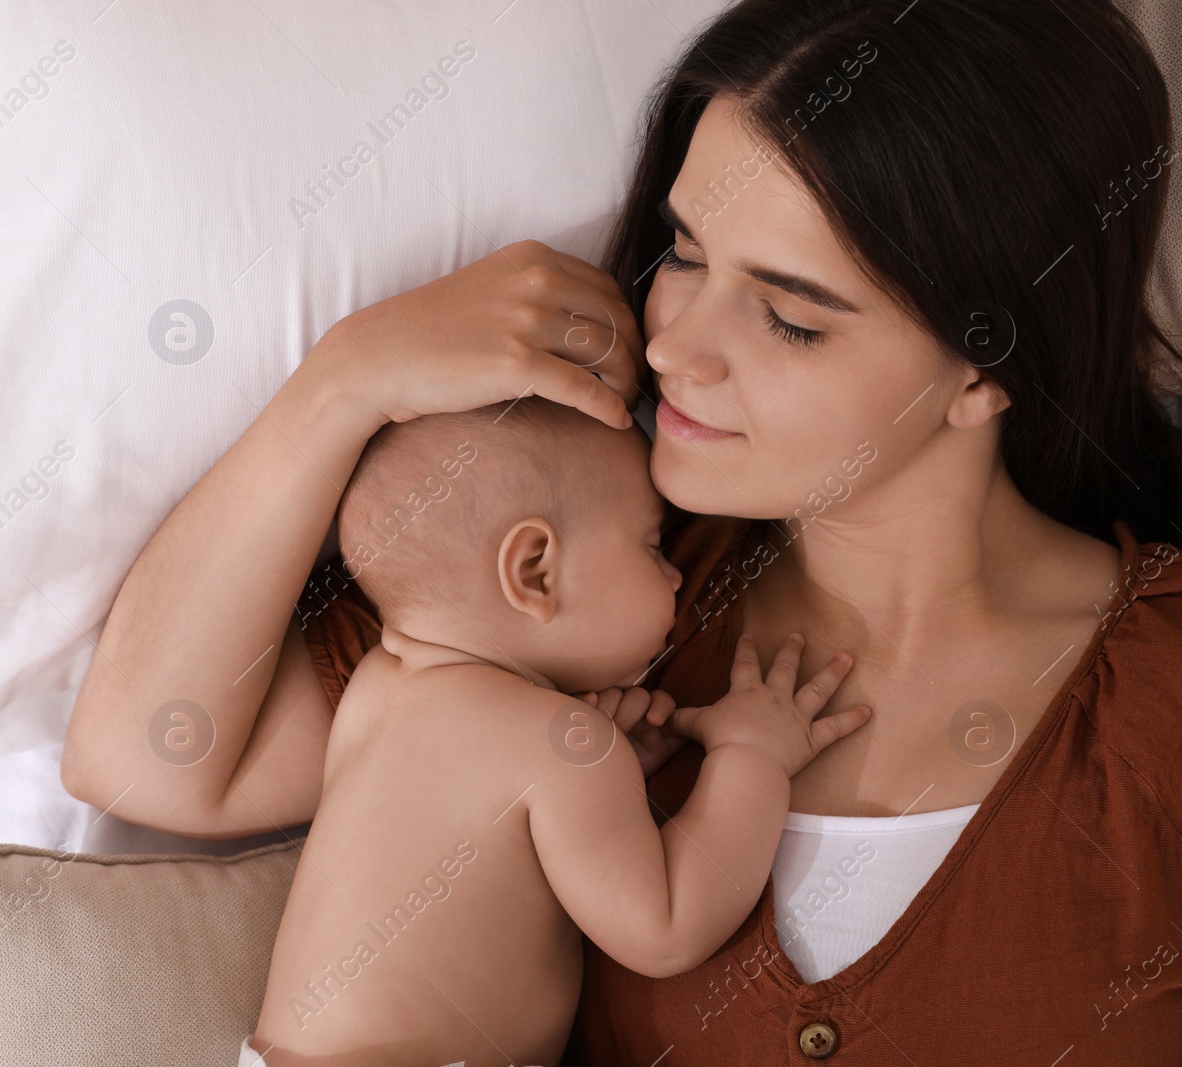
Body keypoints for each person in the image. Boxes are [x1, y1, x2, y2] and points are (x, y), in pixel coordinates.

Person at [63, 0, 1182, 1060]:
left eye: (791, 318)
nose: (673, 346)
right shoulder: (586, 606)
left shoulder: (1153, 699)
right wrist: (346, 381)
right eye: (685, 253)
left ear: (987, 369)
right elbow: (143, 757)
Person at [240, 400, 869, 1066]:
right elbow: (666, 929)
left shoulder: (375, 689)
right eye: (653, 546)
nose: (676, 575)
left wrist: (610, 771)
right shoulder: (560, 740)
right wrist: (753, 756)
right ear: (535, 570)